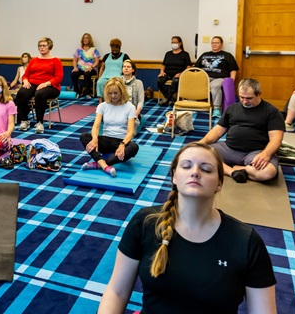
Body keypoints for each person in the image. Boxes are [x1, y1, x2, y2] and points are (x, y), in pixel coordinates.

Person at [99, 142, 277, 314]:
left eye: (206, 169)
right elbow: (117, 292)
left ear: (220, 183)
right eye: (186, 166)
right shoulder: (144, 222)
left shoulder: (246, 242)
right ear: (174, 177)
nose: (195, 172)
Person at [198, 78, 284, 183]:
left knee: (267, 173)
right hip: (229, 149)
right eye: (241, 97)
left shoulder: (272, 112)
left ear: (259, 94)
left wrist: (266, 154)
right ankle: (233, 171)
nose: (244, 101)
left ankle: (230, 168)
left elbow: (276, 140)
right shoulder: (232, 108)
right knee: (199, 154)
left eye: (249, 98)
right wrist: (200, 143)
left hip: (256, 152)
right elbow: (217, 131)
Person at [79, 77, 139, 177]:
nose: (113, 96)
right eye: (110, 93)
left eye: (116, 93)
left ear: (122, 92)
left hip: (121, 142)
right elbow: (96, 126)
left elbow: (130, 132)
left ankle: (99, 164)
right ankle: (104, 165)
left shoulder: (130, 107)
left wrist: (123, 144)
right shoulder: (102, 106)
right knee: (84, 136)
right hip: (106, 141)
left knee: (134, 147)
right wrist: (94, 139)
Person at [15, 37, 63, 134]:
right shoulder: (33, 60)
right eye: (40, 46)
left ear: (49, 47)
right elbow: (26, 75)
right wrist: (25, 81)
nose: (41, 48)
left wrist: (46, 84)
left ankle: (39, 122)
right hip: (33, 83)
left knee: (40, 94)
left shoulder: (56, 61)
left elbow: (59, 77)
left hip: (51, 86)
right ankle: (24, 121)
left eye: (44, 45)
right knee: (21, 93)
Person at [195, 36, 239, 118]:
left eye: (217, 43)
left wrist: (231, 81)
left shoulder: (227, 55)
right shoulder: (205, 55)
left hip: (219, 78)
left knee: (215, 86)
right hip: (204, 77)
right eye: (213, 43)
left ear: (221, 44)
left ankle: (217, 109)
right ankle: (193, 105)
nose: (214, 44)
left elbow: (233, 69)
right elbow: (196, 68)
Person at [157, 36, 192, 105]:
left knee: (176, 81)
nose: (173, 44)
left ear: (180, 43)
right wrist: (162, 72)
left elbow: (189, 67)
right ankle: (171, 99)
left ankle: (166, 99)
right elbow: (163, 65)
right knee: (159, 80)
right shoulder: (168, 54)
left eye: (175, 42)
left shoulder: (185, 54)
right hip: (168, 73)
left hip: (179, 74)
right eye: (172, 42)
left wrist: (181, 74)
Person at [71, 33, 101, 98]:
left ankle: (88, 92)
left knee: (87, 74)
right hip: (80, 68)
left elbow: (97, 61)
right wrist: (75, 67)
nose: (85, 39)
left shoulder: (94, 49)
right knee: (73, 74)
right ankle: (77, 92)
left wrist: (92, 67)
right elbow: (75, 60)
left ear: (89, 39)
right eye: (84, 38)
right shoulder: (79, 49)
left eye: (87, 38)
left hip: (91, 69)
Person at [121, 60, 144, 130]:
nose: (126, 68)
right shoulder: (118, 81)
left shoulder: (138, 83)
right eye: (124, 67)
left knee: (131, 131)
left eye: (128, 67)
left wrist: (136, 114)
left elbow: (141, 101)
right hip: (119, 110)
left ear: (133, 70)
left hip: (133, 112)